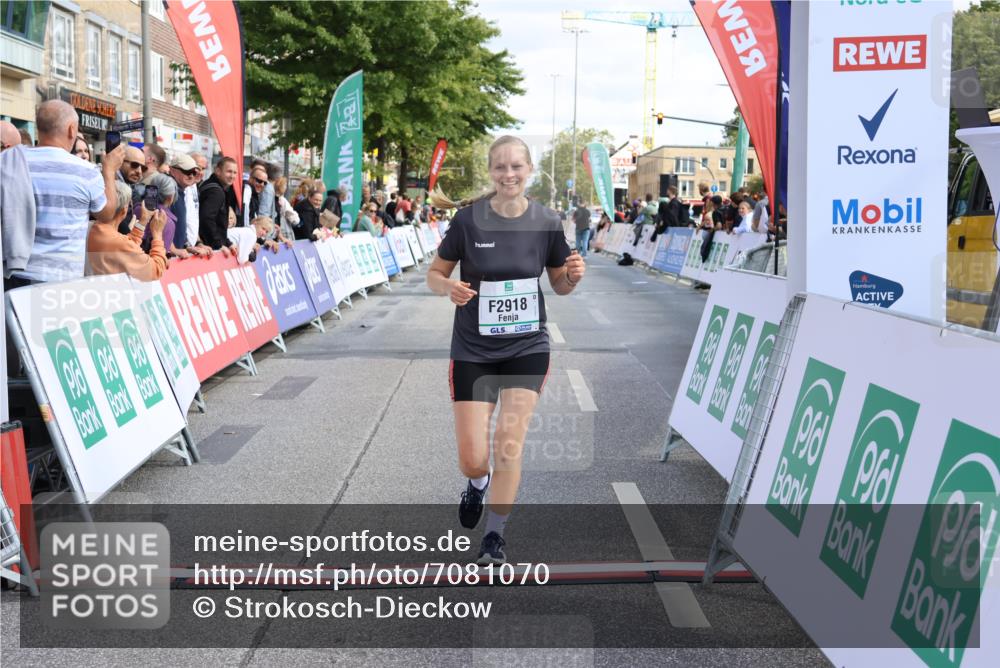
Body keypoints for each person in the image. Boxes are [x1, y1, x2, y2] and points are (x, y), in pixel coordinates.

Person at [426, 135, 585, 565]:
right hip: (473, 350)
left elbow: (559, 285)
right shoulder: (468, 221)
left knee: (508, 443)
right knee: (473, 459)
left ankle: (494, 536)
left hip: (526, 347)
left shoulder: (547, 221)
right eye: (500, 167)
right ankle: (477, 484)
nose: (508, 174)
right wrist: (448, 287)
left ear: (529, 170)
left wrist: (572, 276)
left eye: (517, 166)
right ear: (490, 171)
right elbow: (435, 273)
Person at [9, 99, 123, 286]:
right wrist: (109, 171)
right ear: (71, 130)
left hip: (14, 273)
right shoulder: (86, 171)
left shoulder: (11, 162)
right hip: (62, 279)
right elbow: (107, 213)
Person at [87, 181, 167, 280]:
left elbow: (126, 249)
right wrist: (157, 234)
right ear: (124, 210)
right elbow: (156, 270)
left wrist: (143, 220)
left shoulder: (90, 227)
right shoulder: (118, 243)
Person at [167, 153, 210, 257]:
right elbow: (158, 224)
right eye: (186, 171)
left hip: (179, 254)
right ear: (172, 170)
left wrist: (188, 245)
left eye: (193, 172)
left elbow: (183, 223)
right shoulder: (168, 190)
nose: (191, 176)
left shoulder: (182, 190)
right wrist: (172, 249)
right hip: (166, 257)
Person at [198, 156, 239, 254]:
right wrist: (218, 244)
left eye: (235, 173)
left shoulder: (211, 185)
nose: (232, 176)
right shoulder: (216, 191)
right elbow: (207, 219)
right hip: (208, 249)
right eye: (229, 171)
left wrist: (228, 243)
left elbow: (218, 224)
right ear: (218, 171)